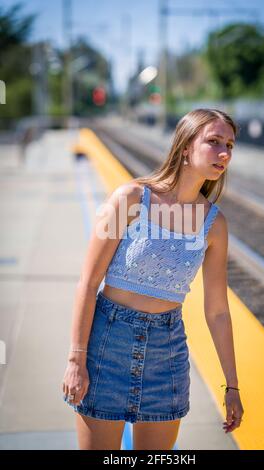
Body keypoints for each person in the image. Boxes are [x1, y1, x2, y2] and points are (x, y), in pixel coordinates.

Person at [62, 108, 244, 450]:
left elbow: (217, 311)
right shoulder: (130, 199)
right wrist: (76, 360)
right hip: (107, 344)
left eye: (230, 146)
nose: (224, 153)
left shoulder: (215, 225)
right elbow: (87, 284)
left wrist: (231, 386)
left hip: (167, 351)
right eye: (214, 142)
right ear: (186, 146)